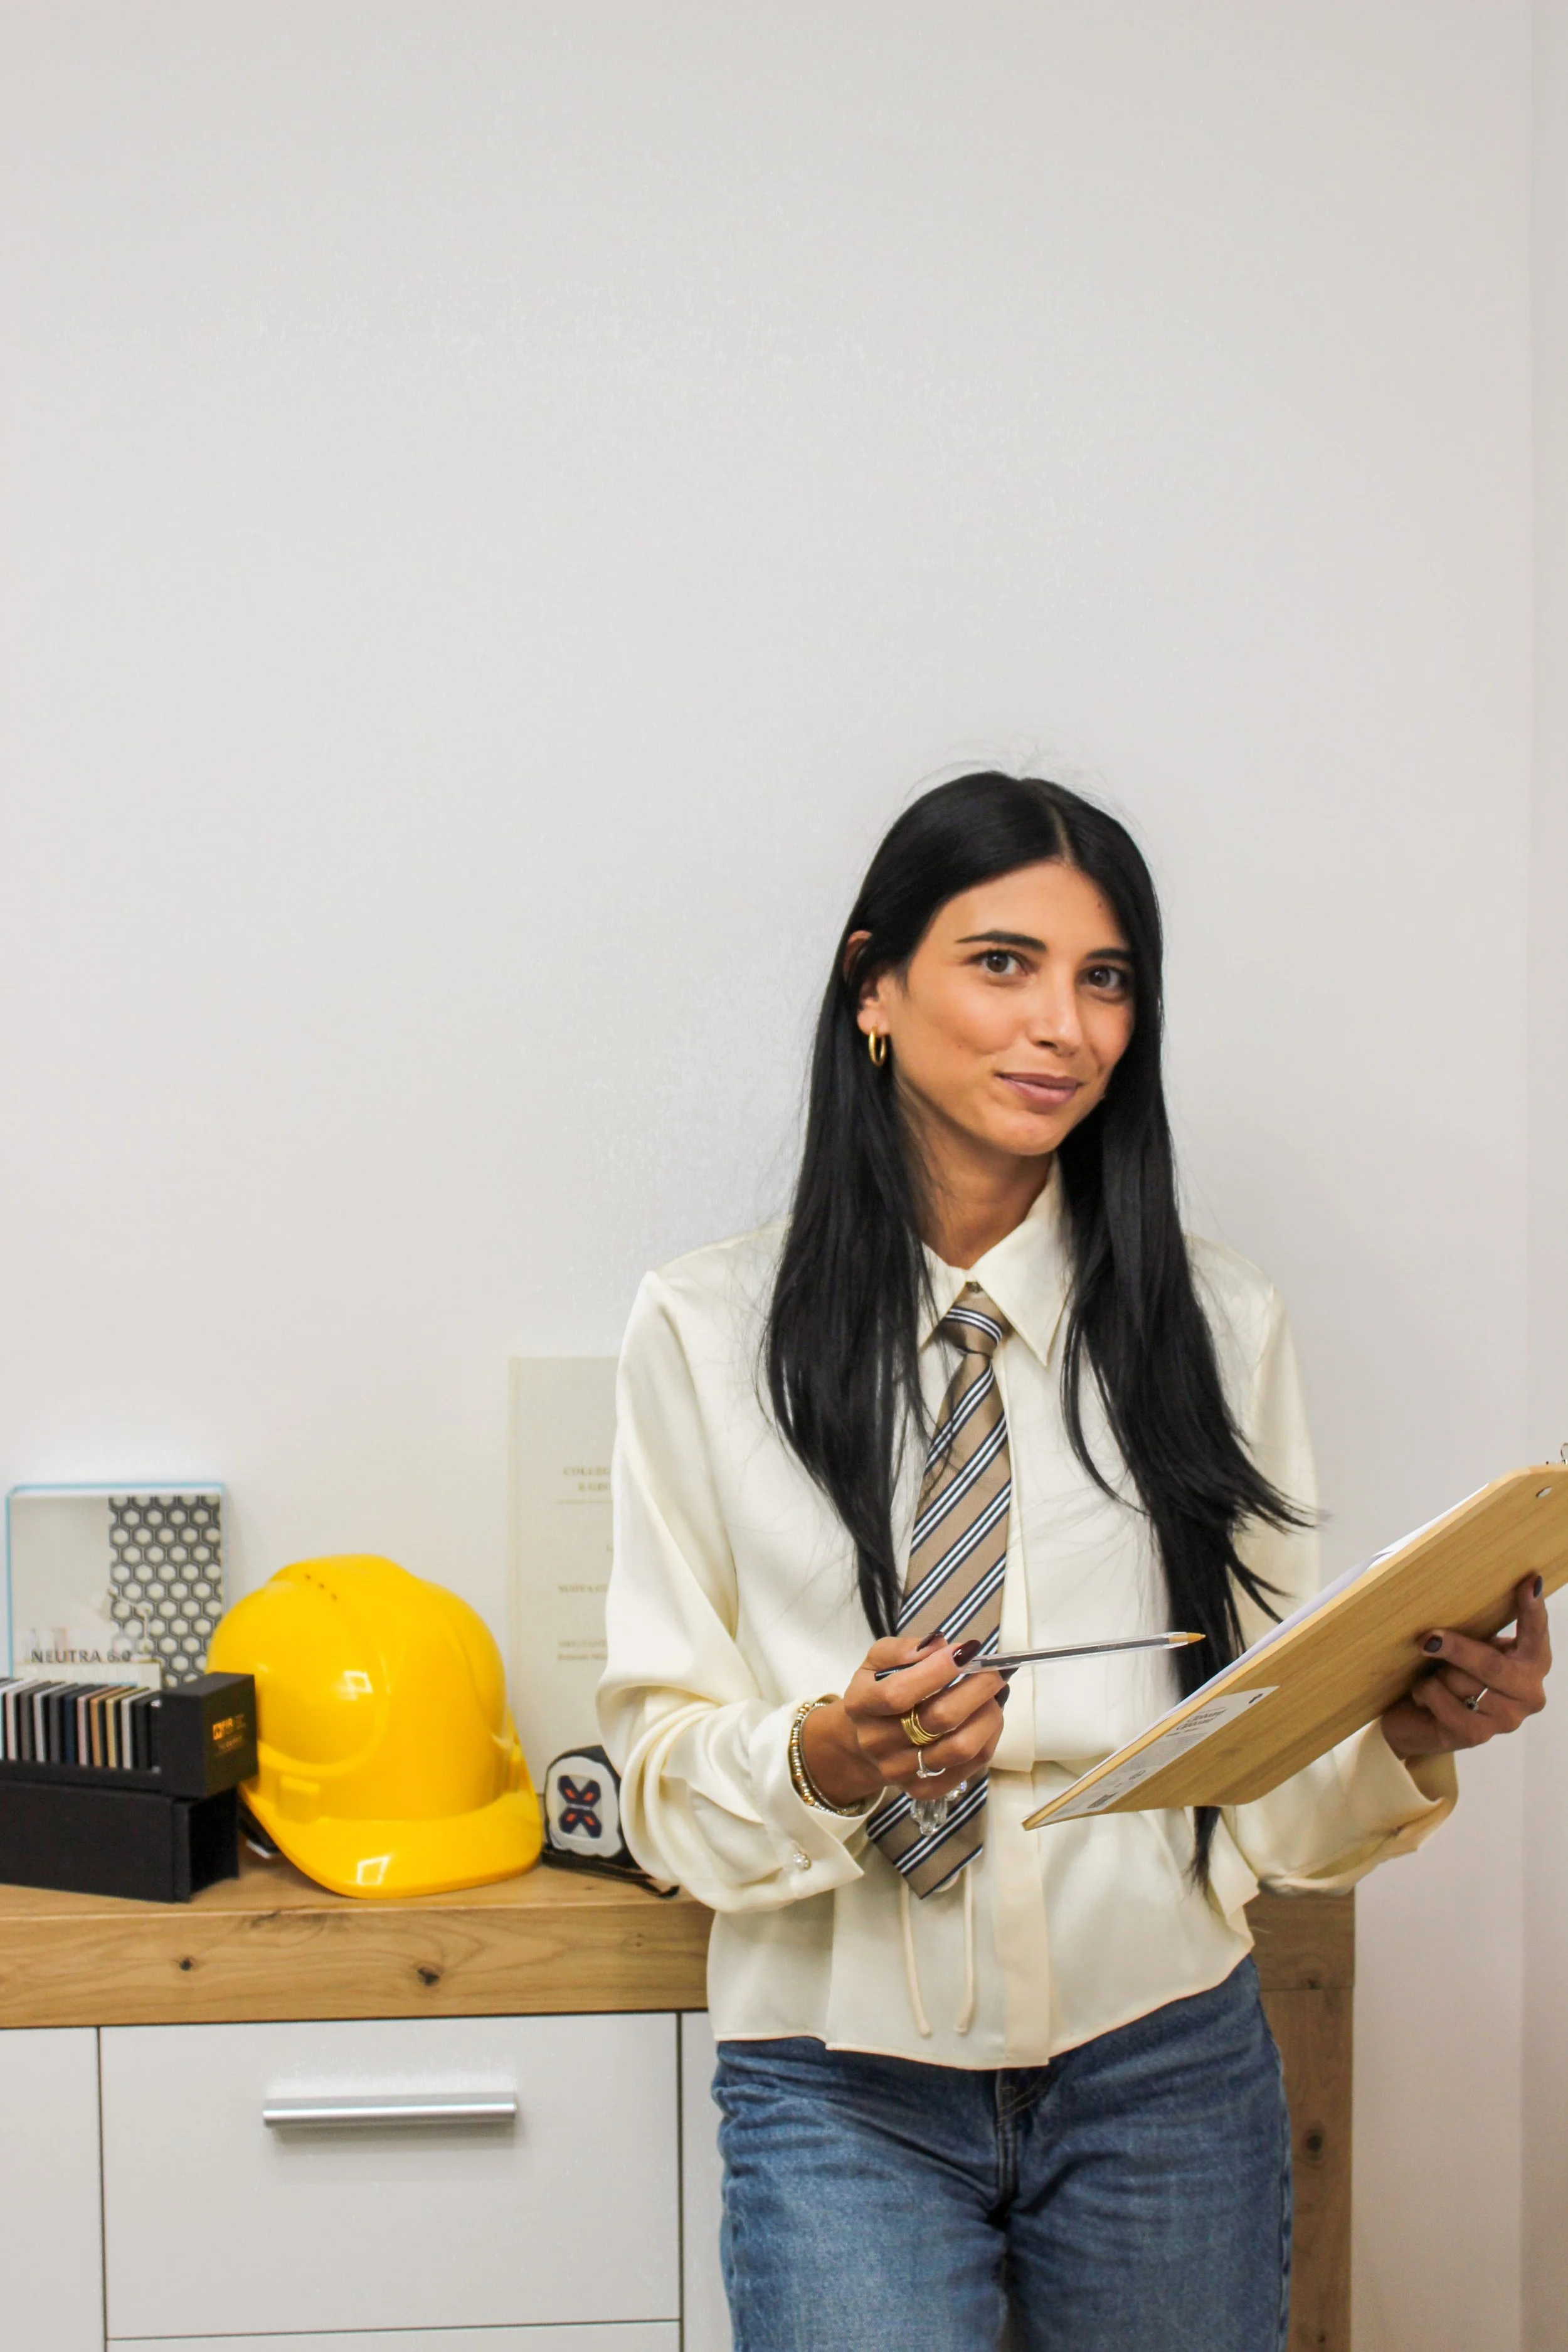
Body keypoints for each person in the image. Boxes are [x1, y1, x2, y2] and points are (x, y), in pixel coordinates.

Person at [598, 773, 1551, 2352]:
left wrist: (1393, 1722)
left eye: (1104, 978)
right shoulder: (702, 1335)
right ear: (871, 990)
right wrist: (828, 1759)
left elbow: (1251, 1762)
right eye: (1001, 962)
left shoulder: (1215, 1322)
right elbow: (656, 1772)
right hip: (837, 2091)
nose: (1063, 1025)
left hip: (1161, 2064)